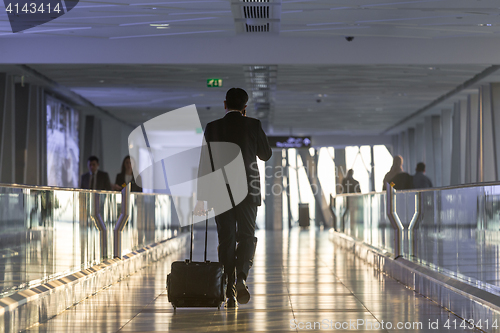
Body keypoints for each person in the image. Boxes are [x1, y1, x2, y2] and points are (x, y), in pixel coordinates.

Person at [194, 88, 272, 308]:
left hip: (221, 192)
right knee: (247, 236)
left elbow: (204, 162)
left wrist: (202, 198)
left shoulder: (213, 127)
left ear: (224, 104)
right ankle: (242, 277)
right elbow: (265, 155)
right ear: (245, 108)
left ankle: (229, 287)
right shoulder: (253, 125)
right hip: (248, 191)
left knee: (226, 239)